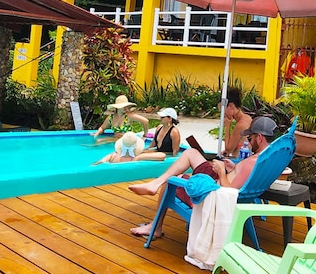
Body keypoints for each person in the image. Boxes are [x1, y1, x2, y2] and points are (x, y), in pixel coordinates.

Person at [128, 117, 277, 239]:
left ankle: (156, 226)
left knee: (171, 182)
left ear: (259, 137)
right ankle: (155, 183)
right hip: (221, 181)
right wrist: (233, 168)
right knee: (191, 152)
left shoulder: (251, 162)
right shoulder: (269, 159)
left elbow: (229, 193)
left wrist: (221, 172)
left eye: (250, 138)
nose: (249, 142)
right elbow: (242, 180)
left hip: (213, 192)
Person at [94, 131, 167, 165]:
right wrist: (139, 157)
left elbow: (98, 163)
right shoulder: (135, 158)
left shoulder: (113, 156)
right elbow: (162, 155)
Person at [222, 87, 252, 154]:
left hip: (239, 162)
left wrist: (227, 127)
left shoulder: (241, 125)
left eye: (223, 110)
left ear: (230, 106)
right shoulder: (247, 118)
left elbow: (228, 150)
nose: (222, 114)